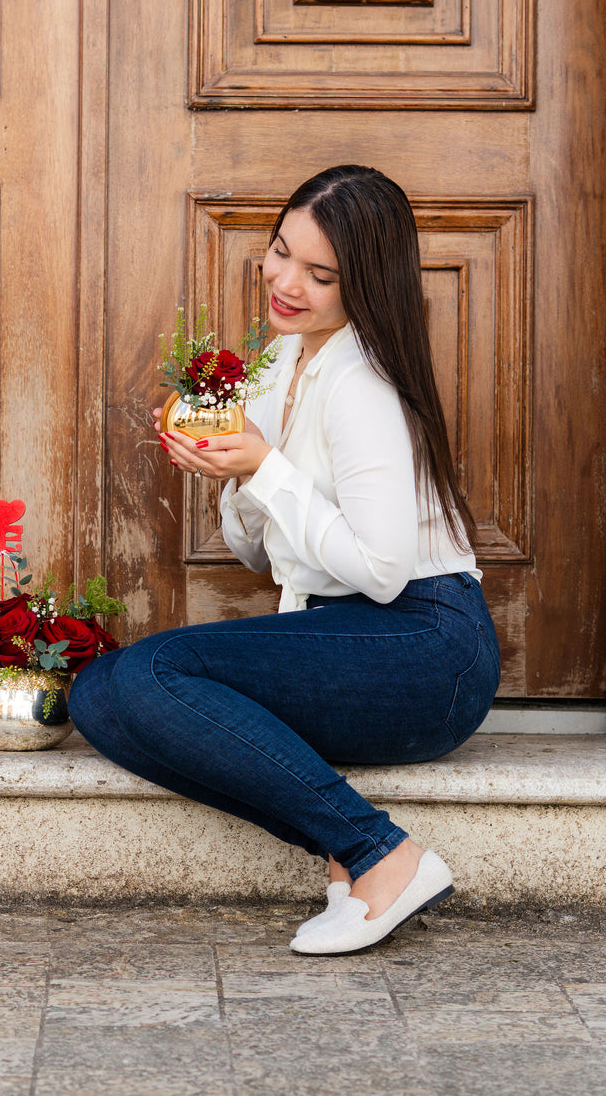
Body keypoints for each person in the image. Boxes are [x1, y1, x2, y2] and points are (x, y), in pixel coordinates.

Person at [69, 164, 500, 955]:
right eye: (279, 252)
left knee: (149, 676)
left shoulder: (363, 382)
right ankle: (346, 849)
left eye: (320, 272)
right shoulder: (279, 363)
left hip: (430, 648)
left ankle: (383, 855)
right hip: (344, 632)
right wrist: (232, 476)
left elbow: (382, 570)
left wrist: (263, 467)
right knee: (97, 695)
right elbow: (261, 553)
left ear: (363, 283)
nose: (286, 281)